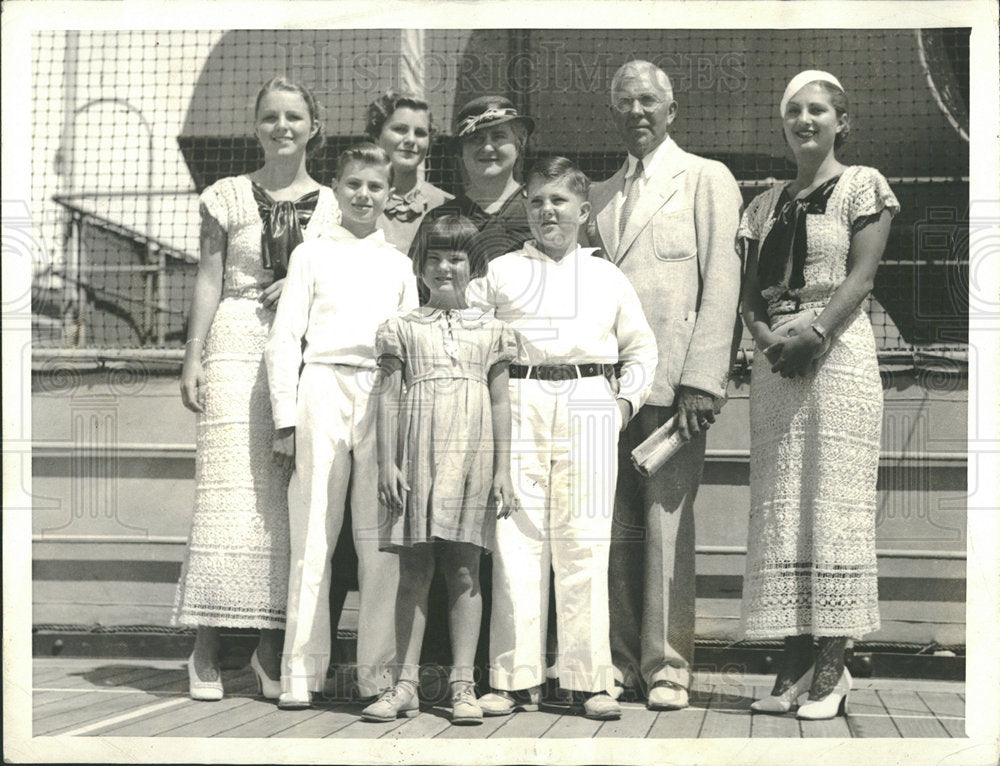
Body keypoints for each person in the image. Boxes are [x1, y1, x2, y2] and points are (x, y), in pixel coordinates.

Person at [470, 157, 658, 721]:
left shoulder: (607, 276)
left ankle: (589, 680)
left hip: (589, 406)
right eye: (535, 201)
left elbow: (641, 349)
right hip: (519, 404)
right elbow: (472, 340)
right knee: (515, 543)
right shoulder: (501, 272)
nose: (547, 210)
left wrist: (622, 405)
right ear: (525, 209)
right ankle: (512, 679)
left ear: (583, 210)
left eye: (558, 200)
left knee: (584, 544)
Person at [174, 76, 340, 702]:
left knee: (284, 506)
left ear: (313, 126)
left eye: (294, 116)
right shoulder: (225, 197)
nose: (282, 127)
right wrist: (193, 358)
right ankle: (207, 650)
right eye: (270, 116)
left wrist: (299, 287)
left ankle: (271, 653)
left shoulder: (334, 203)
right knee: (224, 499)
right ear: (257, 127)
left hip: (303, 356)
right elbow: (209, 278)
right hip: (236, 347)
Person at [738, 71, 897, 720]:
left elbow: (860, 278)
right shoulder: (764, 202)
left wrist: (815, 333)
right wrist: (769, 340)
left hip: (838, 360)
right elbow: (750, 295)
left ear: (841, 121)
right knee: (785, 510)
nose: (805, 120)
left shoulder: (865, 185)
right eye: (794, 111)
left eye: (817, 111)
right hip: (778, 367)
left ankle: (834, 667)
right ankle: (796, 661)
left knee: (834, 507)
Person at [586, 60, 743, 710]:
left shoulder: (707, 180)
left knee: (667, 528)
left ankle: (669, 666)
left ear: (671, 110)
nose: (637, 112)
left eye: (648, 100)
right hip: (606, 392)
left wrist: (704, 380)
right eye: (625, 103)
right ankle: (622, 661)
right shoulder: (598, 194)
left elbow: (724, 285)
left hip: (675, 391)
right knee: (615, 531)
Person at [264, 143, 419, 709]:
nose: (363, 196)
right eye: (353, 184)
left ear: (389, 195)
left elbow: (408, 348)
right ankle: (300, 676)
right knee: (312, 539)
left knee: (379, 545)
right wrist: (285, 419)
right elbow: (284, 339)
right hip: (321, 388)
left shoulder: (399, 265)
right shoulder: (310, 254)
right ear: (335, 188)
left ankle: (377, 679)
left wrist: (399, 430)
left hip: (380, 394)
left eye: (375, 187)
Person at [360, 215, 519, 725]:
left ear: (473, 266)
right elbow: (385, 400)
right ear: (421, 265)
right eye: (435, 257)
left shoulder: (494, 330)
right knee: (414, 571)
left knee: (466, 572)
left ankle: (462, 686)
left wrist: (502, 471)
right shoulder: (400, 327)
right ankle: (404, 685)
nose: (445, 267)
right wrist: (387, 463)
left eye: (456, 257)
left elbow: (499, 404)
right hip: (415, 457)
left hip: (472, 456)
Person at [409, 95, 533, 271]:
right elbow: (417, 290)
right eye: (476, 138)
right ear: (461, 150)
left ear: (519, 143)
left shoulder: (538, 209)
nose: (488, 147)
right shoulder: (439, 218)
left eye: (498, 136)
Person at [364, 89, 453, 254]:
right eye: (400, 129)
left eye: (420, 133)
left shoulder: (447, 205)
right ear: (377, 134)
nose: (411, 140)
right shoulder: (350, 201)